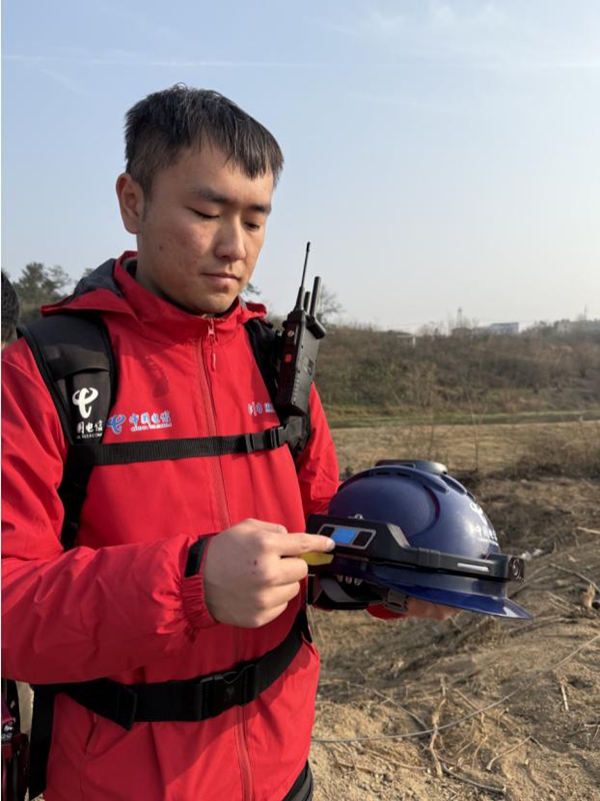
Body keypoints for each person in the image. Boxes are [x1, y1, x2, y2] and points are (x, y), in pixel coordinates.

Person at [1, 86, 453, 801]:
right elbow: (10, 608)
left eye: (255, 219)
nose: (235, 247)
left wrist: (400, 577)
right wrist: (191, 583)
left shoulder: (278, 365)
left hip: (281, 770)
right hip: (117, 783)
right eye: (207, 213)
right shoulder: (44, 374)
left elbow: (321, 542)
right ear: (132, 202)